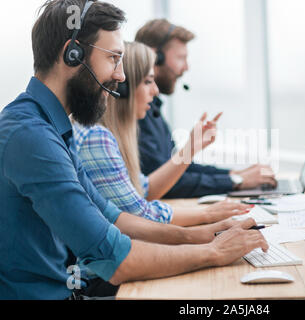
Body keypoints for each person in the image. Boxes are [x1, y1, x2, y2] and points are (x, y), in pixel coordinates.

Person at [0, 0, 268, 300]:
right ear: (72, 55)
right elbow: (115, 259)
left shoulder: (54, 128)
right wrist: (212, 252)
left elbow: (114, 217)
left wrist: (201, 234)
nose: (121, 76)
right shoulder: (31, 137)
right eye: (114, 58)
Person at [73, 41, 254, 227]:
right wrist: (207, 214)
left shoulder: (107, 134)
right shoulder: (96, 137)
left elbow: (144, 188)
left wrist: (191, 148)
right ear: (122, 87)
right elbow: (138, 215)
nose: (156, 91)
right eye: (148, 81)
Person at [135, 19, 277, 198]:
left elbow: (177, 167)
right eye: (181, 58)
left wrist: (233, 175)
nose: (186, 67)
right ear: (155, 57)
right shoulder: (135, 113)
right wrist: (235, 182)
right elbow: (163, 182)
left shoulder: (153, 108)